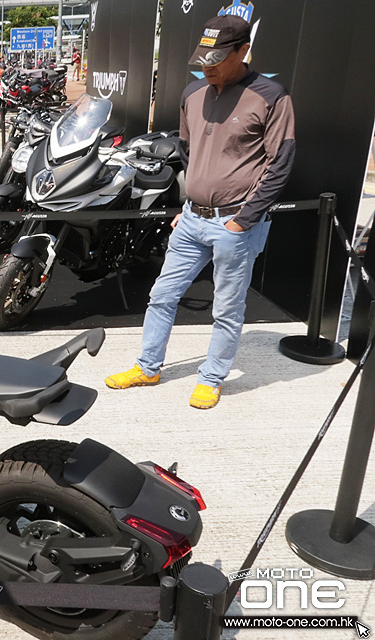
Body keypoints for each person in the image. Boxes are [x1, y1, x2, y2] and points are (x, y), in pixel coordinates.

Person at [104, 15, 296, 410]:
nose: (208, 66)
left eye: (218, 58)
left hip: (235, 224)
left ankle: (211, 378)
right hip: (192, 219)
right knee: (161, 295)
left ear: (244, 51)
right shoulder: (193, 93)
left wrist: (244, 218)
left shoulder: (272, 96)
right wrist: (187, 204)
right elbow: (190, 154)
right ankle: (148, 366)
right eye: (203, 58)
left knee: (226, 308)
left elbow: (281, 163)